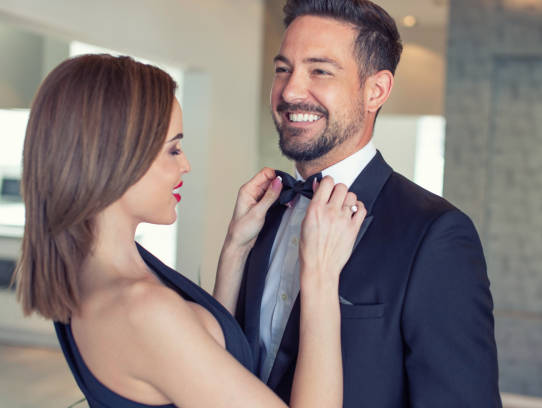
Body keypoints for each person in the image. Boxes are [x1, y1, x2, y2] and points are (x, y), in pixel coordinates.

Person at [14, 53, 366, 408]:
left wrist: (235, 249)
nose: (186, 164)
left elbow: (198, 360)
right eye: (173, 149)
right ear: (116, 157)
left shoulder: (95, 269)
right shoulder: (142, 311)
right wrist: (320, 277)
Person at [235, 1, 503, 407]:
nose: (289, 90)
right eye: (283, 69)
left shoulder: (435, 235)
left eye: (320, 70)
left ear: (375, 90)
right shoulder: (263, 212)